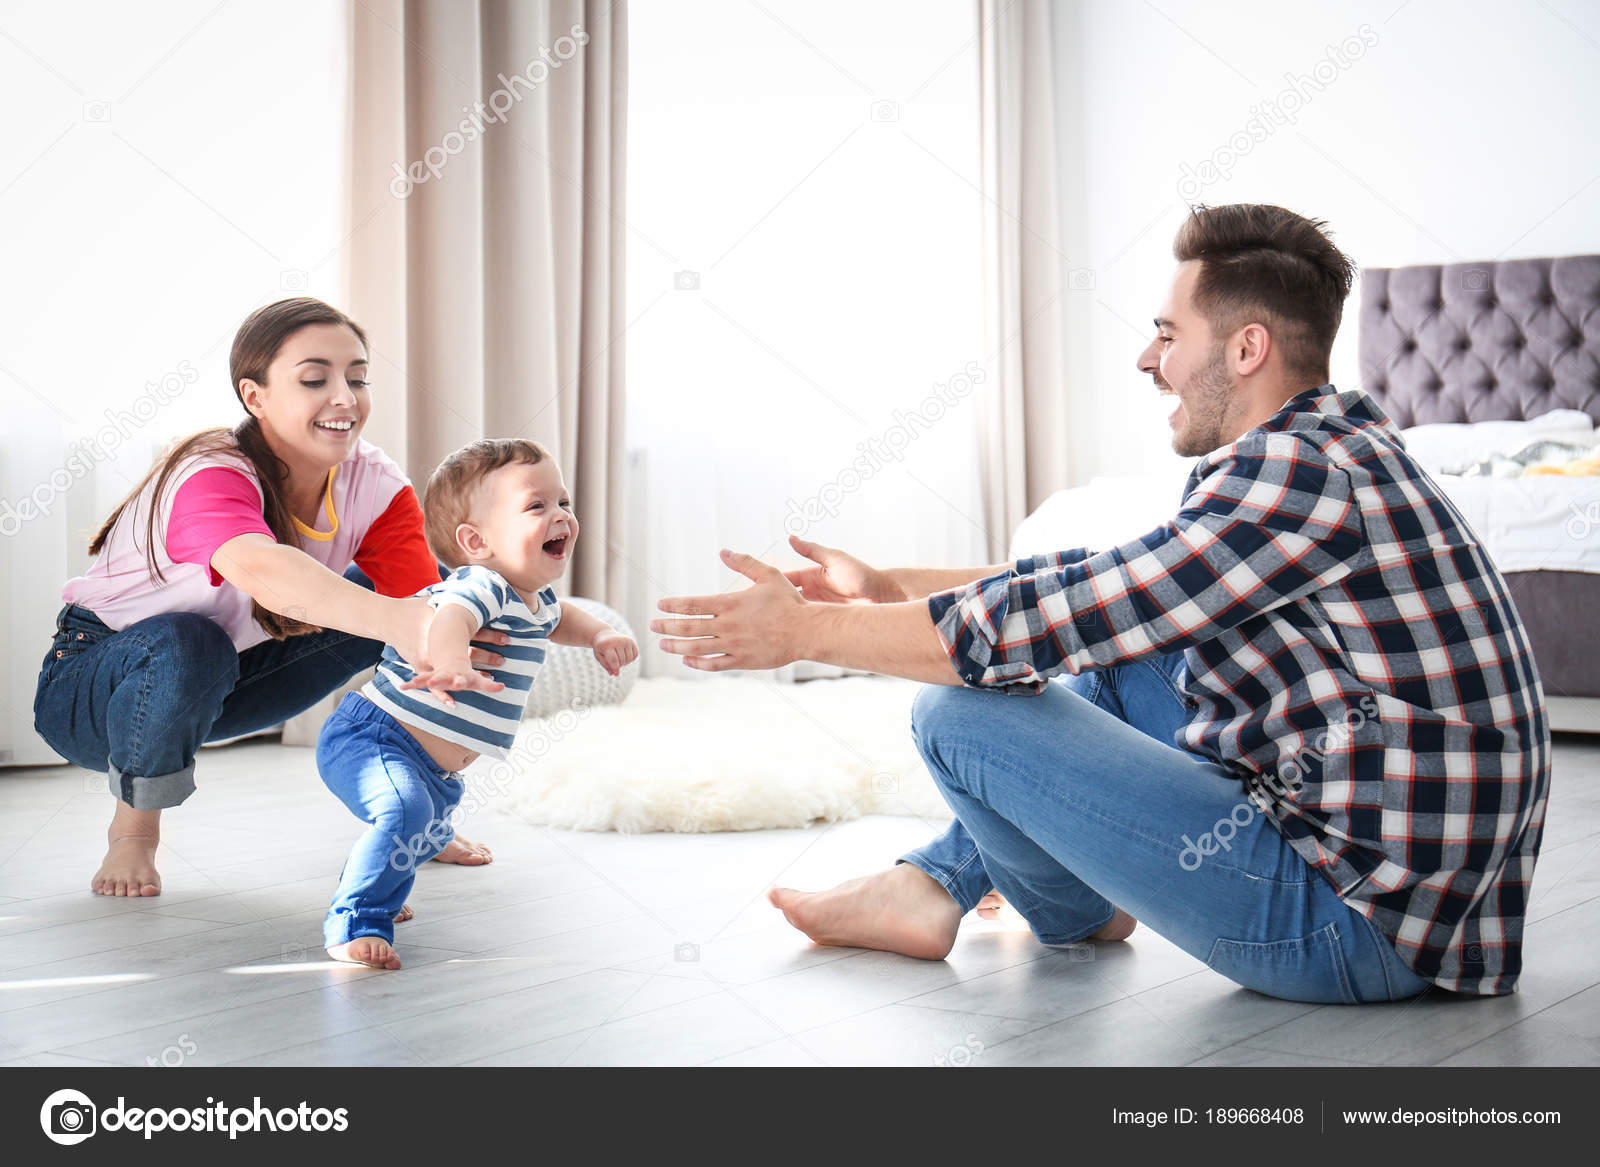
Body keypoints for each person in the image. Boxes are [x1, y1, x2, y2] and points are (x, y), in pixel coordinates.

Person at [652, 203, 1551, 1002]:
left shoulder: (1293, 474)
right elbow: (1114, 582)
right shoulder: (1333, 444)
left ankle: (1049, 907)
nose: (1147, 358)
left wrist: (807, 630)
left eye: (1168, 332)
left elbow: (1054, 617)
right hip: (1431, 913)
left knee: (956, 714)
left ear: (1246, 348)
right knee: (1133, 650)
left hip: (1357, 928)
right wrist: (892, 589)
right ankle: (933, 885)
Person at [33, 298, 507, 899]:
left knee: (442, 603)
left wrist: (446, 635)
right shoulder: (208, 471)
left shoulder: (375, 482)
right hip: (93, 692)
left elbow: (425, 613)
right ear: (254, 397)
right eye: (315, 379)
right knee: (187, 638)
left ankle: (413, 815)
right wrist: (406, 619)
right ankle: (134, 834)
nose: (345, 397)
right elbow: (264, 570)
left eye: (357, 379)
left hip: (226, 681)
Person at [316, 439, 637, 969]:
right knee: (403, 813)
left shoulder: (538, 598)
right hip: (375, 737)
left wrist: (601, 634)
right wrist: (452, 661)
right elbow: (451, 620)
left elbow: (564, 619)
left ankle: (423, 841)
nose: (561, 516)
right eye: (538, 506)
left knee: (422, 814)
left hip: (437, 769)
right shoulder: (480, 585)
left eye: (565, 503)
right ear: (476, 541)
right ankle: (356, 920)